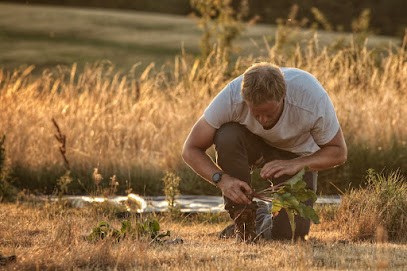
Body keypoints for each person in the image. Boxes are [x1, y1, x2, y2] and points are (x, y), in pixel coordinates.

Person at [182, 62, 347, 243]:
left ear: (283, 96)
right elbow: (190, 149)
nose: (263, 120)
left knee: (290, 235)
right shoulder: (231, 97)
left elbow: (338, 152)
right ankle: (243, 220)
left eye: (269, 113)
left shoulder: (311, 98)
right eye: (256, 113)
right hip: (254, 145)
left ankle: (261, 216)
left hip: (297, 156)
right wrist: (222, 180)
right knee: (227, 135)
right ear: (245, 100)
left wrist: (296, 164)